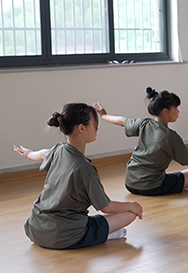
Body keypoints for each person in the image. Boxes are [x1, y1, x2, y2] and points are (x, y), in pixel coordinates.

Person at [14, 103, 143, 250]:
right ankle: (104, 235)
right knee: (130, 214)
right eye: (95, 125)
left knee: (91, 219)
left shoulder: (58, 150)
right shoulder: (85, 168)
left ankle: (102, 233)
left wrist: (28, 153)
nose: (97, 129)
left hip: (35, 229)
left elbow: (42, 154)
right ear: (81, 128)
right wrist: (131, 205)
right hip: (63, 237)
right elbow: (106, 207)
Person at [94, 88, 188, 196]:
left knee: (173, 176)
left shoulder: (144, 123)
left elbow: (122, 121)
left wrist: (103, 115)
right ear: (166, 111)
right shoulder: (171, 137)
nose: (178, 111)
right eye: (176, 108)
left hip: (130, 183)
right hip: (153, 187)